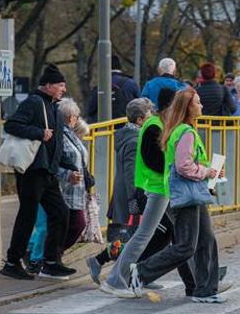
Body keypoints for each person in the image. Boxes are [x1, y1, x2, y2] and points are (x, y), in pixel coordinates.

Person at [129, 88, 225, 303]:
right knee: (186, 246)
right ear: (188, 108)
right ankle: (141, 272)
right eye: (198, 102)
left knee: (206, 240)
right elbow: (183, 167)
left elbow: (190, 163)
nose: (202, 106)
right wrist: (207, 172)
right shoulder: (186, 132)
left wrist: (211, 170)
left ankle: (206, 290)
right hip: (186, 194)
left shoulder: (184, 129)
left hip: (192, 193)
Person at [100, 89, 198, 298]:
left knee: (167, 235)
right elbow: (153, 160)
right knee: (143, 235)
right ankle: (116, 280)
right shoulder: (154, 125)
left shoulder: (160, 124)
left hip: (163, 187)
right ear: (170, 106)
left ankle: (143, 275)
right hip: (156, 188)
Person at [1, 64, 75, 280]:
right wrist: (38, 132)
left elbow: (57, 143)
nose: (64, 88)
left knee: (61, 213)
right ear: (49, 85)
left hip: (48, 172)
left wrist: (72, 166)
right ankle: (13, 262)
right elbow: (11, 125)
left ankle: (51, 261)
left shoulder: (54, 106)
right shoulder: (34, 102)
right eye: (60, 85)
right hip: (33, 171)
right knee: (28, 215)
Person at [86, 98, 156, 282]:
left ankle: (107, 264)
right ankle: (109, 267)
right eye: (150, 115)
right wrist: (135, 199)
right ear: (140, 120)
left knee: (134, 239)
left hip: (128, 195)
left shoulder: (129, 136)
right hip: (131, 196)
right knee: (135, 240)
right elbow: (131, 173)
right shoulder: (134, 140)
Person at [25, 99, 94, 275]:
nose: (77, 119)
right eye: (76, 116)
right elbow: (55, 159)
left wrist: (84, 176)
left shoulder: (68, 133)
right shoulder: (57, 134)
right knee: (48, 226)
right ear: (70, 117)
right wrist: (67, 174)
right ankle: (42, 258)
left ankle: (48, 256)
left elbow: (75, 158)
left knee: (65, 224)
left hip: (72, 190)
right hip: (58, 188)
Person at [87, 55, 141, 122]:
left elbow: (90, 110)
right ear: (120, 67)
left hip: (105, 128)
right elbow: (139, 106)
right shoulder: (131, 84)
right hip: (127, 126)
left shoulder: (100, 86)